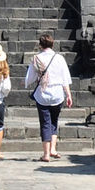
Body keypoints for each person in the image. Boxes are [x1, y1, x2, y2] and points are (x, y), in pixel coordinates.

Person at [24, 32, 72, 163]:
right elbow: (65, 79)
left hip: (43, 94)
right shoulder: (59, 58)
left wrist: (29, 82)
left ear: (40, 45)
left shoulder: (36, 58)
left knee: (45, 123)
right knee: (54, 121)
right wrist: (68, 95)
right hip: (57, 93)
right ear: (52, 44)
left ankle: (46, 154)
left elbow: (30, 78)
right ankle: (53, 149)